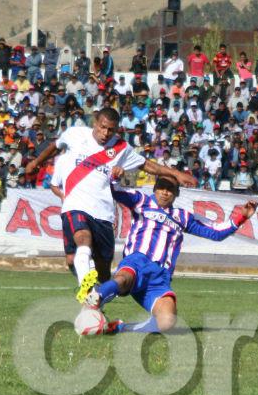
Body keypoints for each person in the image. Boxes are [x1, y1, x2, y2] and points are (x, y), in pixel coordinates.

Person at [24, 107, 197, 296]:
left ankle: (99, 295)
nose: (105, 133)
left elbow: (146, 165)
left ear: (117, 130)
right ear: (95, 122)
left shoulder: (121, 148)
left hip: (103, 213)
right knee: (82, 241)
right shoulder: (75, 134)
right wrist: (36, 162)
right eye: (102, 127)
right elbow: (55, 146)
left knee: (104, 270)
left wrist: (176, 173)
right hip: (75, 205)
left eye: (111, 130)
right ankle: (87, 288)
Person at [80, 176, 258, 334]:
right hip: (137, 260)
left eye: (170, 190)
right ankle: (95, 299)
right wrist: (114, 178)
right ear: (155, 189)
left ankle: (120, 327)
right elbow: (116, 191)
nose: (165, 193)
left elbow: (216, 233)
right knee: (124, 277)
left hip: (160, 277)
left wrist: (240, 217)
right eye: (161, 188)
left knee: (167, 323)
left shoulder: (183, 217)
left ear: (176, 193)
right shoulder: (141, 201)